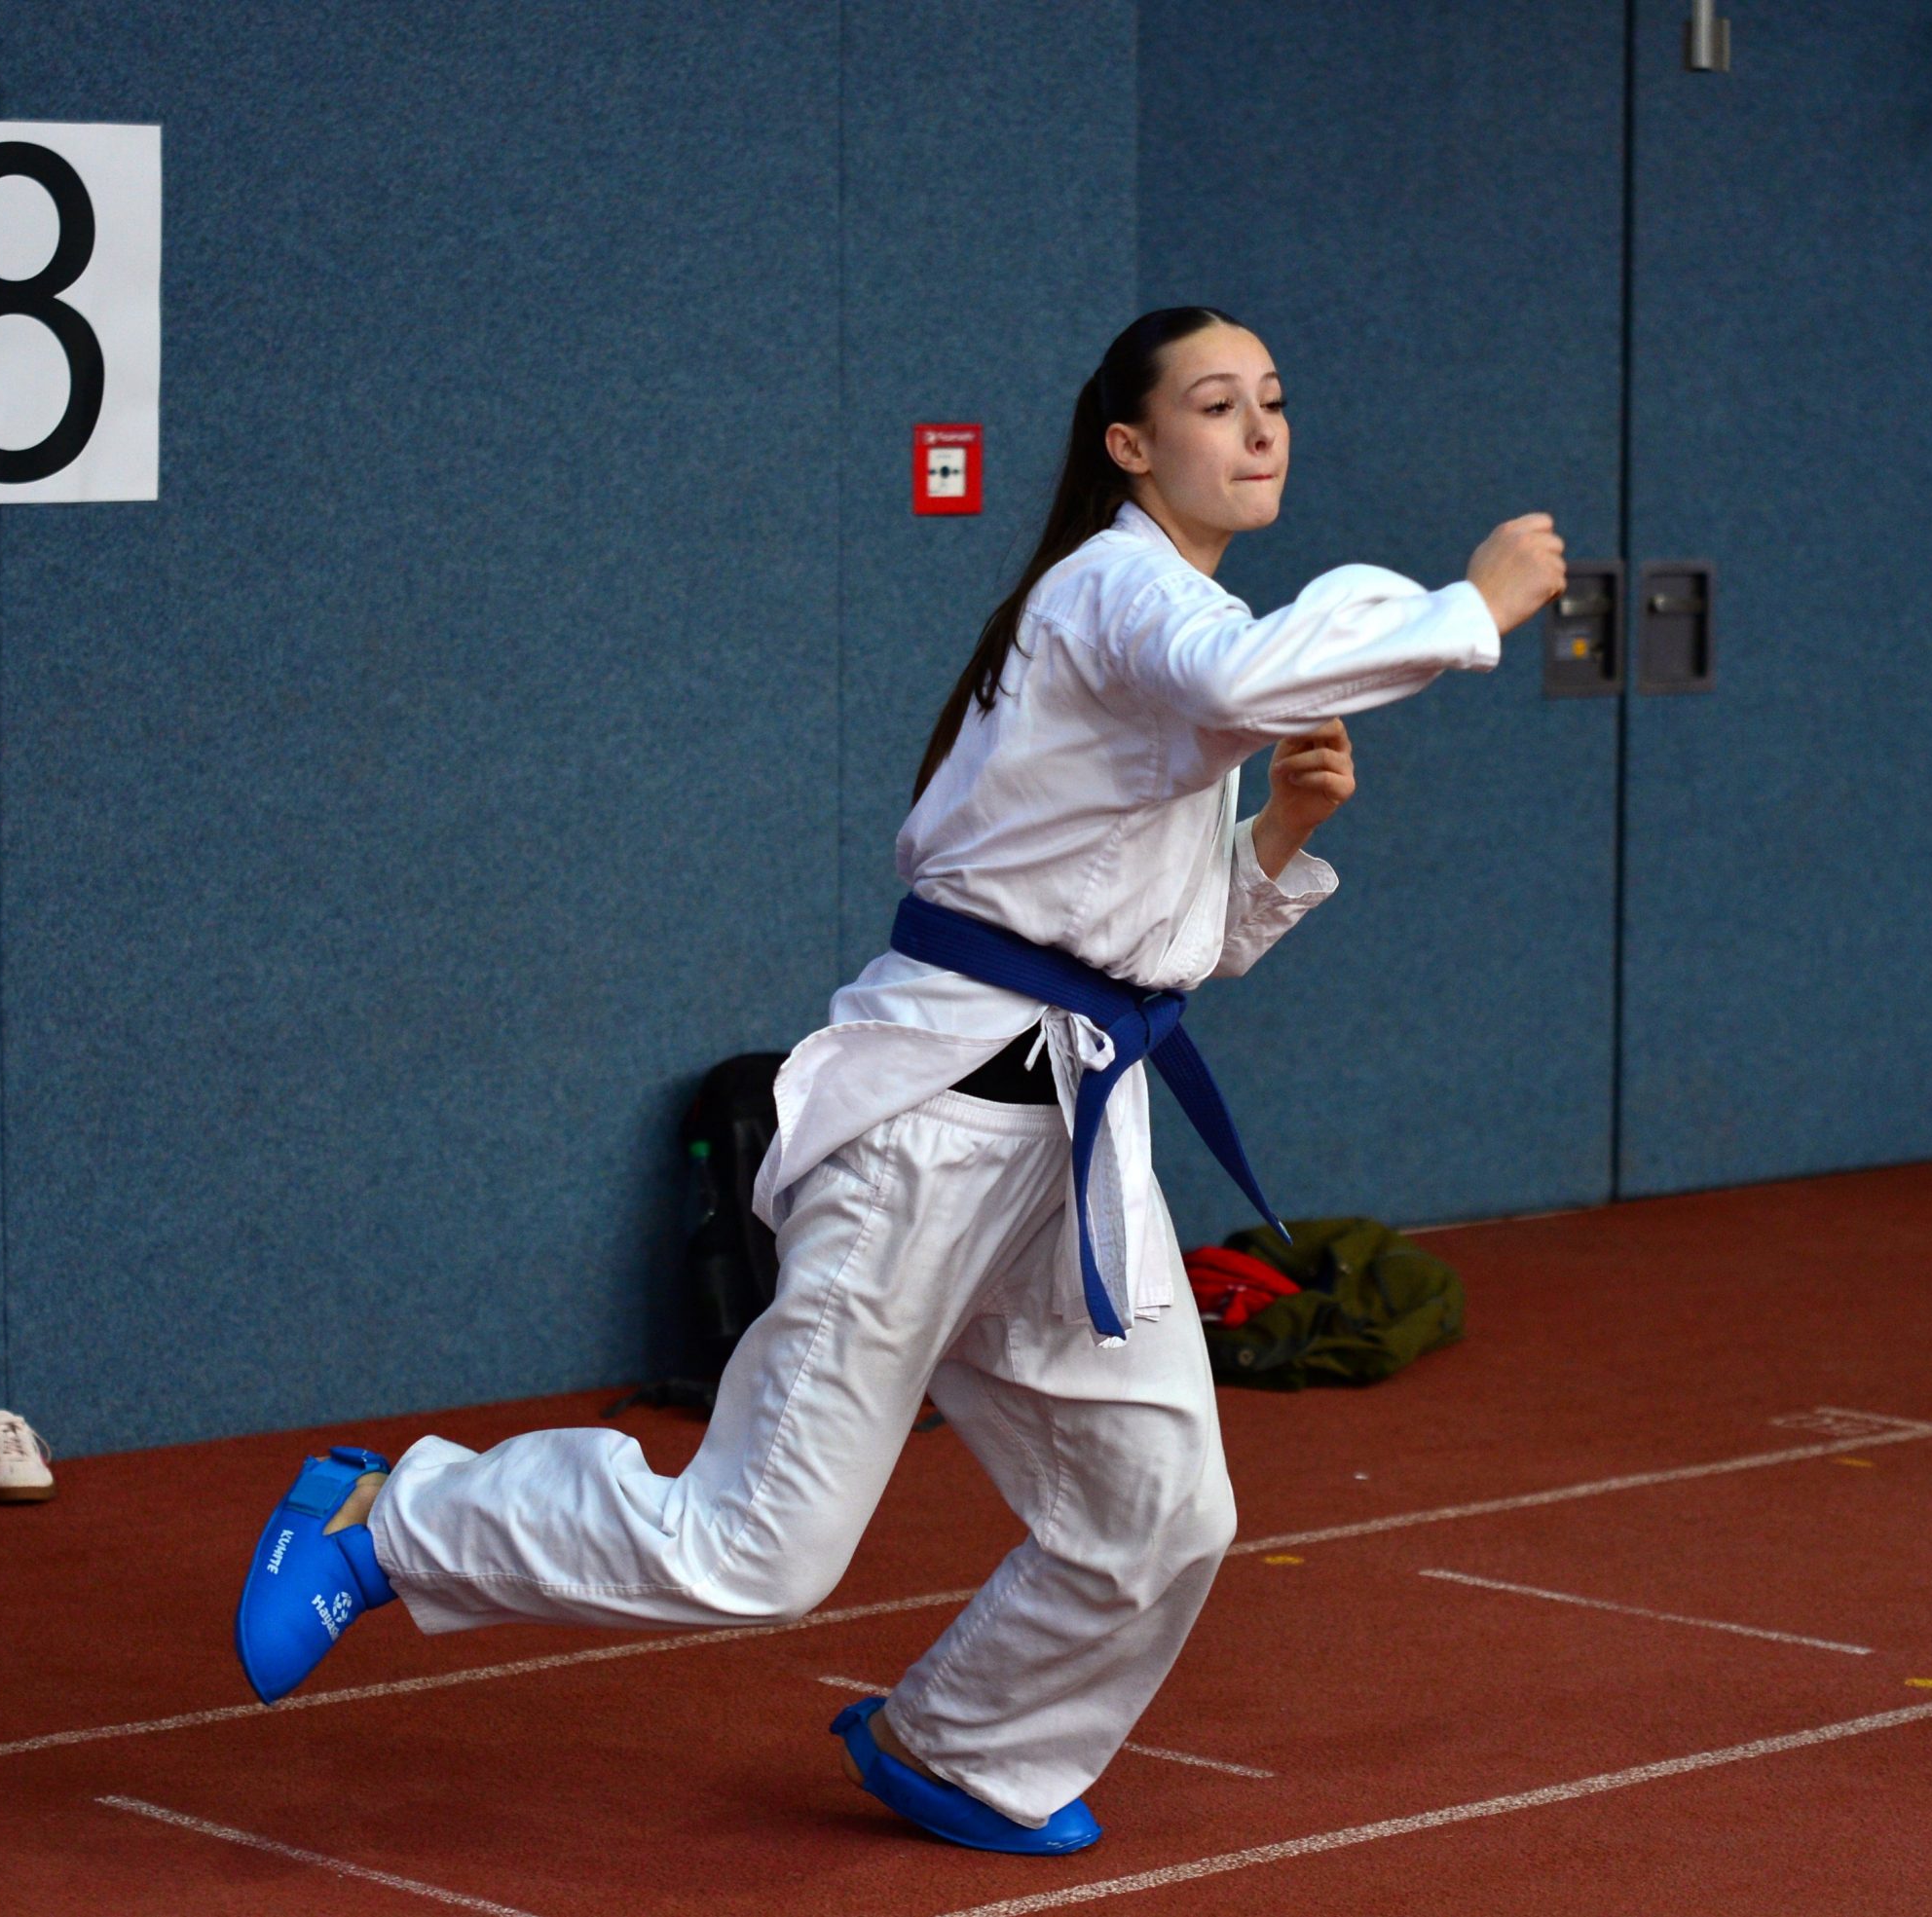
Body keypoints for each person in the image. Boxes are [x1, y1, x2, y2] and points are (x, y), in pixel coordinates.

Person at [234, 305, 1566, 1855]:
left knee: (1162, 1511)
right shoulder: (1115, 589)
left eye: (1271, 398)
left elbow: (1155, 952)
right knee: (757, 1547)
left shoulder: (1175, 628)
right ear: (1131, 444)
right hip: (932, 1128)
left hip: (1072, 1142)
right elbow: (1249, 676)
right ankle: (387, 1519)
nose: (1261, 426)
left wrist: (1273, 837)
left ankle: (967, 1747)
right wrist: (1470, 603)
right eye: (1217, 402)